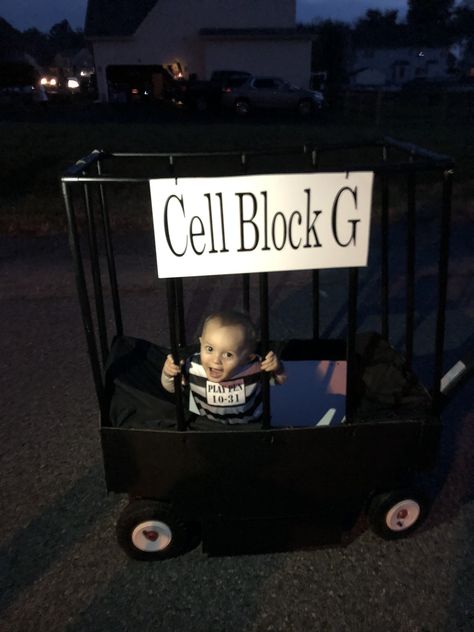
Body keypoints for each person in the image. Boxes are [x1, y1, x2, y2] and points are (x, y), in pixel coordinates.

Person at [161, 310, 286, 426]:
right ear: (201, 342)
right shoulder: (192, 365)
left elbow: (280, 380)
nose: (216, 360)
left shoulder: (255, 366)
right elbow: (172, 389)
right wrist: (168, 374)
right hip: (208, 426)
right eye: (209, 349)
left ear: (248, 358)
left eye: (228, 355)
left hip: (250, 426)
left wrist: (277, 369)